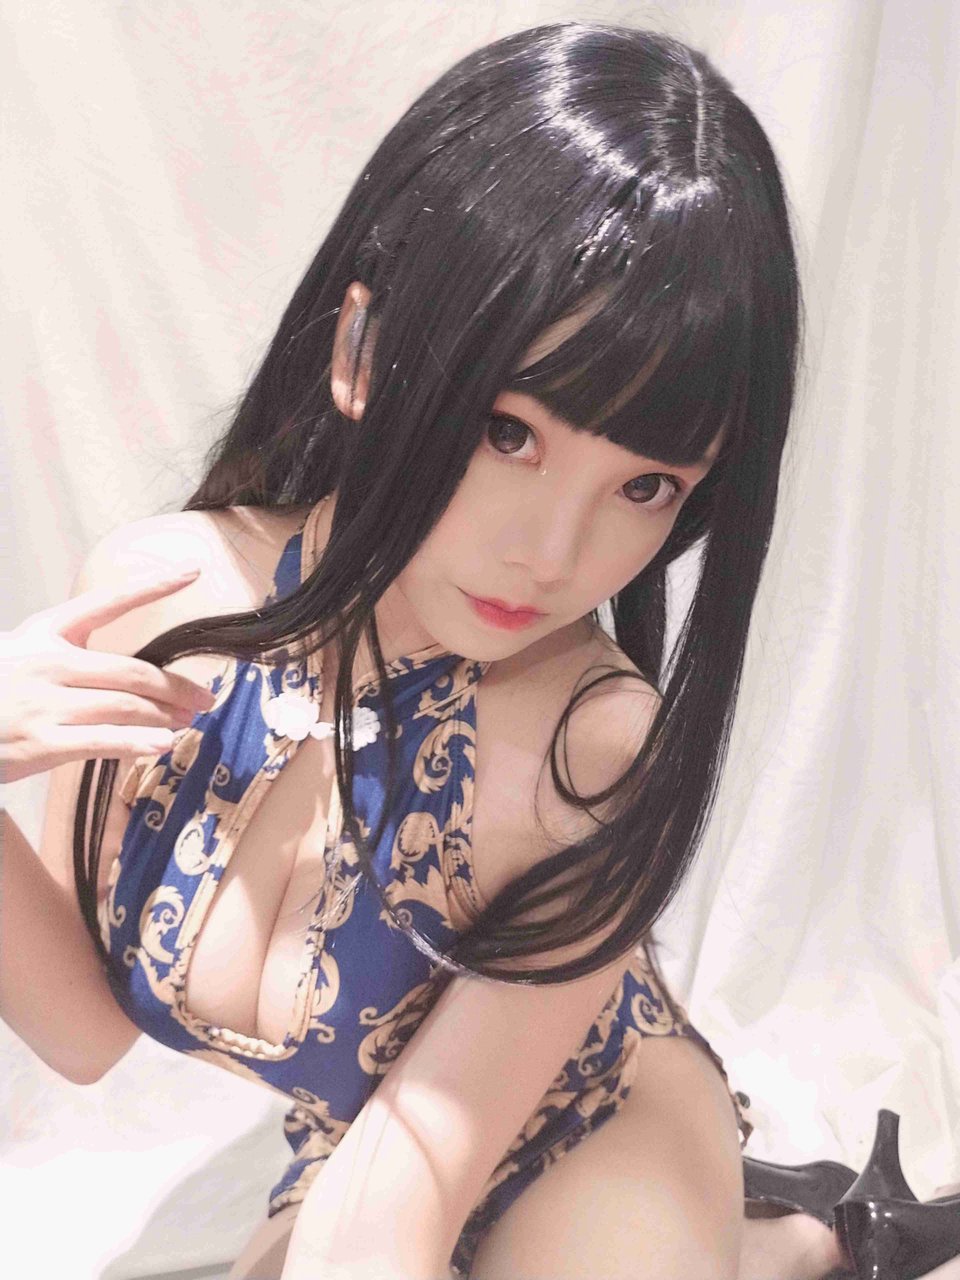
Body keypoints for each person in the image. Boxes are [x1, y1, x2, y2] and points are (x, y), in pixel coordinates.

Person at [1, 20, 877, 1280]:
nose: (553, 552)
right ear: (362, 351)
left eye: (647, 485)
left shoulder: (594, 743)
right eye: (509, 431)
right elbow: (83, 1036)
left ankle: (793, 1239)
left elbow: (387, 1217)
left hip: (596, 1133)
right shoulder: (158, 598)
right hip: (362, 1146)